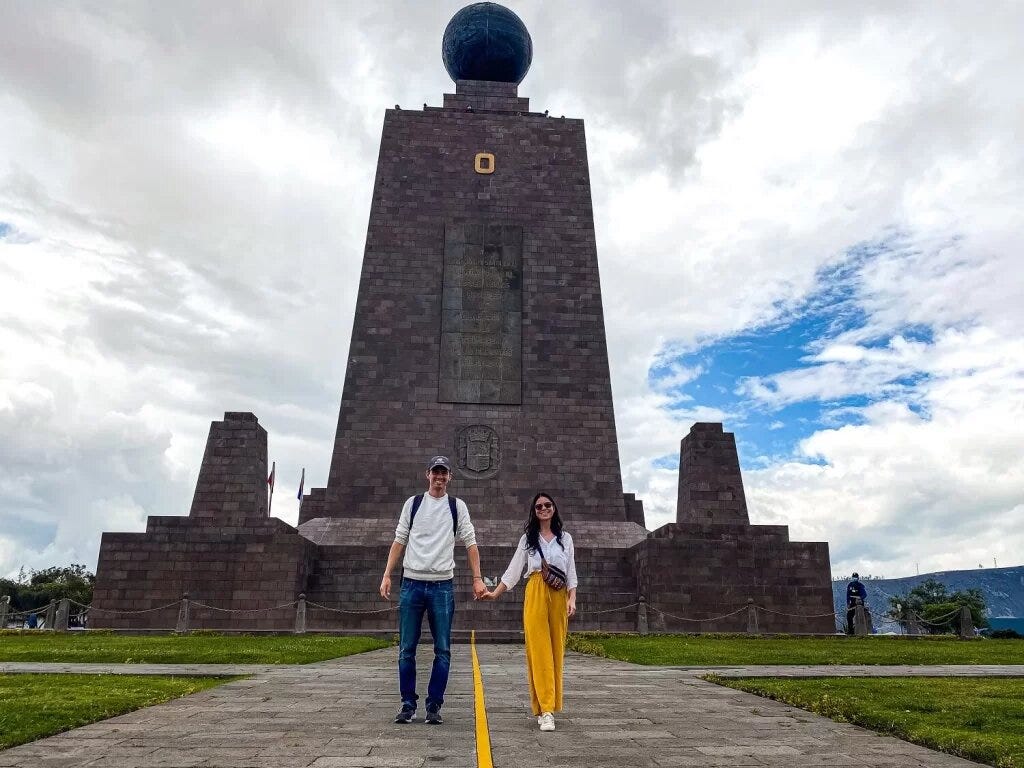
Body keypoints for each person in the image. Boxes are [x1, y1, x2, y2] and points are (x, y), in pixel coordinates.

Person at [380, 455, 486, 725]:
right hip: (411, 584)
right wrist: (387, 574)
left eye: (444, 473)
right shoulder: (413, 504)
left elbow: (470, 543)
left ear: (449, 477)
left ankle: (434, 706)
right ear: (427, 474)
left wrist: (477, 578)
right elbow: (399, 539)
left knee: (443, 649)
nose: (439, 477)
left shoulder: (456, 506)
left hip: (442, 586)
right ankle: (407, 704)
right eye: (435, 472)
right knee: (406, 648)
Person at [480, 492, 577, 732]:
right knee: (539, 649)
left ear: (554, 509)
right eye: (538, 507)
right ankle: (545, 709)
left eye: (547, 505)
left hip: (558, 593)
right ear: (534, 512)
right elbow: (514, 570)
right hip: (535, 589)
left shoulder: (565, 539)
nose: (543, 509)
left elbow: (571, 570)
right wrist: (496, 592)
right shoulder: (528, 539)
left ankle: (551, 704)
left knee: (556, 650)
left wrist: (571, 598)